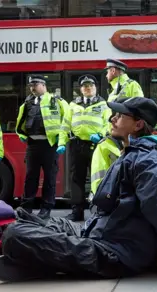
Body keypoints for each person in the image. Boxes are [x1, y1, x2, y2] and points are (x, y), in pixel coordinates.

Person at [0, 97, 157, 282]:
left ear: (137, 125)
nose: (113, 118)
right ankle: (44, 258)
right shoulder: (130, 153)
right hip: (98, 231)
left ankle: (42, 261)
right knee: (22, 217)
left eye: (120, 116)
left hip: (114, 252)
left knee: (14, 234)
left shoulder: (149, 161)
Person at [57, 74, 111, 221]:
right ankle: (77, 212)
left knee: (98, 178)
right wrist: (62, 143)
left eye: (91, 86)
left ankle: (99, 210)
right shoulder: (73, 105)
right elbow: (65, 125)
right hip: (77, 145)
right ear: (81, 89)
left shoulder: (103, 104)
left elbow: (109, 124)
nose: (88, 88)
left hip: (97, 145)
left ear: (95, 88)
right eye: (85, 86)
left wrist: (100, 134)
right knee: (76, 179)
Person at [15, 75, 68, 219]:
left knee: (50, 178)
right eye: (30, 85)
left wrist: (61, 139)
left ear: (43, 85)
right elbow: (21, 120)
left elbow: (67, 120)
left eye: (35, 84)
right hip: (33, 144)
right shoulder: (28, 102)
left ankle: (46, 209)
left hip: (50, 145)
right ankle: (26, 208)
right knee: (30, 177)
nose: (32, 88)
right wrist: (20, 133)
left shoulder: (56, 101)